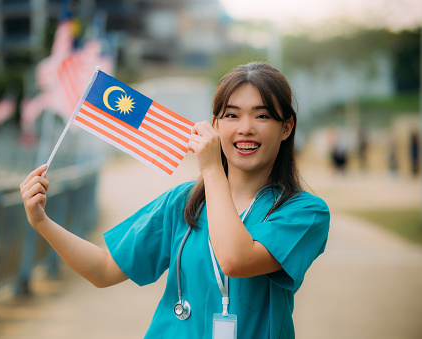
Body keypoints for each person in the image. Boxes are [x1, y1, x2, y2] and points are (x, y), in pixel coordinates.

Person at [20, 62, 330, 338]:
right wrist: (42, 223)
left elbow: (236, 260)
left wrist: (211, 168)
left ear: (286, 127)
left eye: (262, 115)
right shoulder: (183, 202)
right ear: (216, 126)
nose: (245, 128)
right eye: (231, 115)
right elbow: (103, 270)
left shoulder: (304, 212)